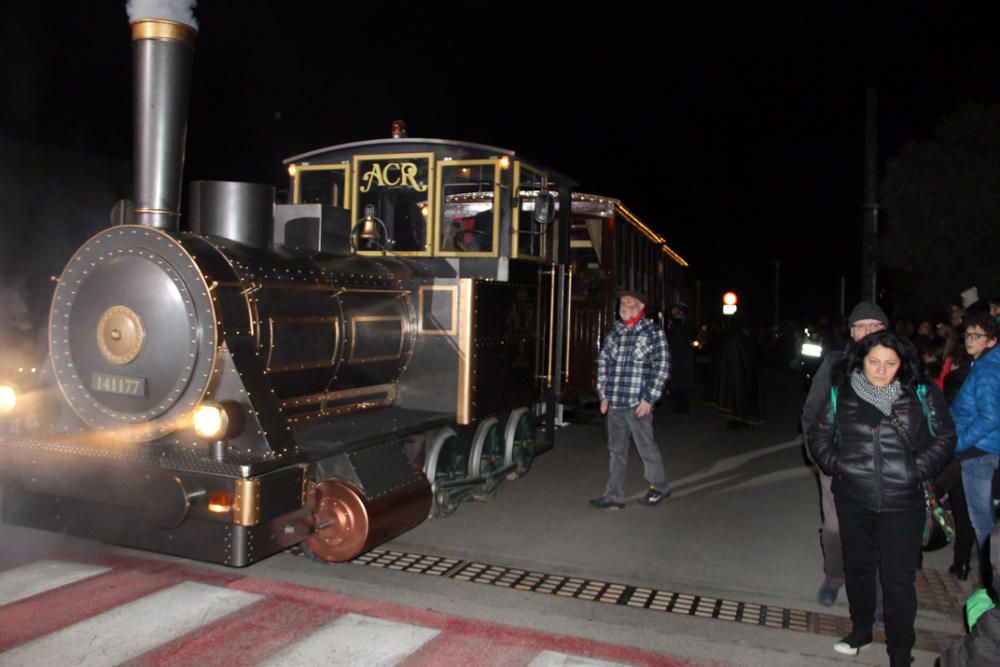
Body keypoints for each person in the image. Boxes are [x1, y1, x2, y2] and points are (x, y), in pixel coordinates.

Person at [807, 331, 955, 666]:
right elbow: (818, 433)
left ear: (902, 364)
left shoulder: (920, 391)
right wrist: (837, 464)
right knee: (858, 570)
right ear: (861, 359)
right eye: (874, 361)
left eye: (890, 363)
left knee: (898, 580)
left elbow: (945, 436)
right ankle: (860, 631)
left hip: (903, 502)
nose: (881, 370)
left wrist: (916, 469)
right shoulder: (842, 391)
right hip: (854, 498)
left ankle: (900, 651)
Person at [801, 301, 888, 607]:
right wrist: (819, 455)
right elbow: (812, 411)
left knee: (876, 531)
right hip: (837, 461)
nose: (866, 332)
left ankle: (877, 596)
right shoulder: (836, 364)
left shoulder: (899, 365)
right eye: (860, 326)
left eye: (873, 326)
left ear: (885, 331)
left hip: (881, 466)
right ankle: (834, 577)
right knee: (835, 528)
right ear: (852, 332)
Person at [590, 289, 672, 510]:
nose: (624, 305)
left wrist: (649, 399)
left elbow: (662, 368)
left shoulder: (652, 333)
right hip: (615, 402)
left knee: (646, 447)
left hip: (638, 404)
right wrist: (603, 395)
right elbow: (604, 363)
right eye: (622, 302)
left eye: (629, 301)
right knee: (616, 450)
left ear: (641, 306)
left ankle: (660, 487)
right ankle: (614, 495)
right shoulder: (615, 332)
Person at [951, 312, 1000, 557]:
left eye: (976, 336)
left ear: (991, 341)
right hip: (982, 449)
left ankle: (989, 584)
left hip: (979, 451)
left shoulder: (987, 369)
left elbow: (991, 417)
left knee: (981, 521)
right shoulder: (986, 364)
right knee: (982, 518)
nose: (970, 340)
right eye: (968, 335)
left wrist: (959, 442)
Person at [666, 302, 695, 415]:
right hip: (679, 357)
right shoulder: (677, 324)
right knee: (679, 384)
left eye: (675, 310)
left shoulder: (679, 325)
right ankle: (680, 407)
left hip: (680, 357)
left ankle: (680, 407)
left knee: (679, 383)